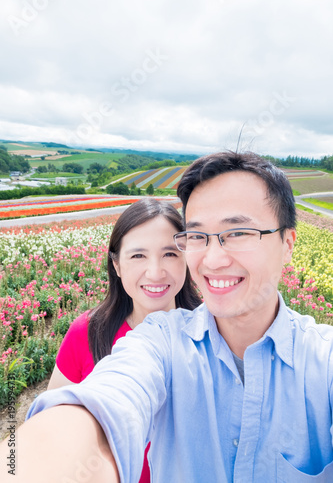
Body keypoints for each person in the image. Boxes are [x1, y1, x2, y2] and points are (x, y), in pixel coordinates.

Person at [2, 150, 333, 483]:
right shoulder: (159, 343)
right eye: (198, 236)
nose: (214, 259)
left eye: (237, 233)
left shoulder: (323, 361)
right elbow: (102, 410)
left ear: (287, 243)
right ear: (116, 264)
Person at [47, 197, 201, 482]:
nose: (155, 272)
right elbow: (54, 429)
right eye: (138, 256)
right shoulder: (88, 333)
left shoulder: (210, 333)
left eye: (170, 254)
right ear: (116, 265)